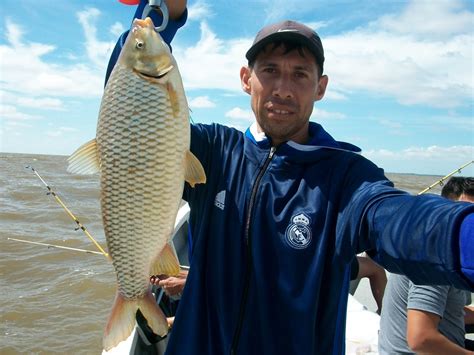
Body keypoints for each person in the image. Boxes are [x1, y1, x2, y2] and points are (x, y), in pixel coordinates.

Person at [106, 1, 474, 354]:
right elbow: (132, 119)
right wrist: (166, 16)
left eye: (299, 74)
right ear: (246, 79)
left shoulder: (346, 177)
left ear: (321, 87)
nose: (283, 88)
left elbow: (400, 222)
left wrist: (462, 238)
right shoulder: (216, 151)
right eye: (270, 70)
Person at [378, 176, 474, 354]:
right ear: (445, 210)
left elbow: (448, 310)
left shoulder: (452, 251)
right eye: (464, 213)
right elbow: (421, 340)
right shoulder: (436, 257)